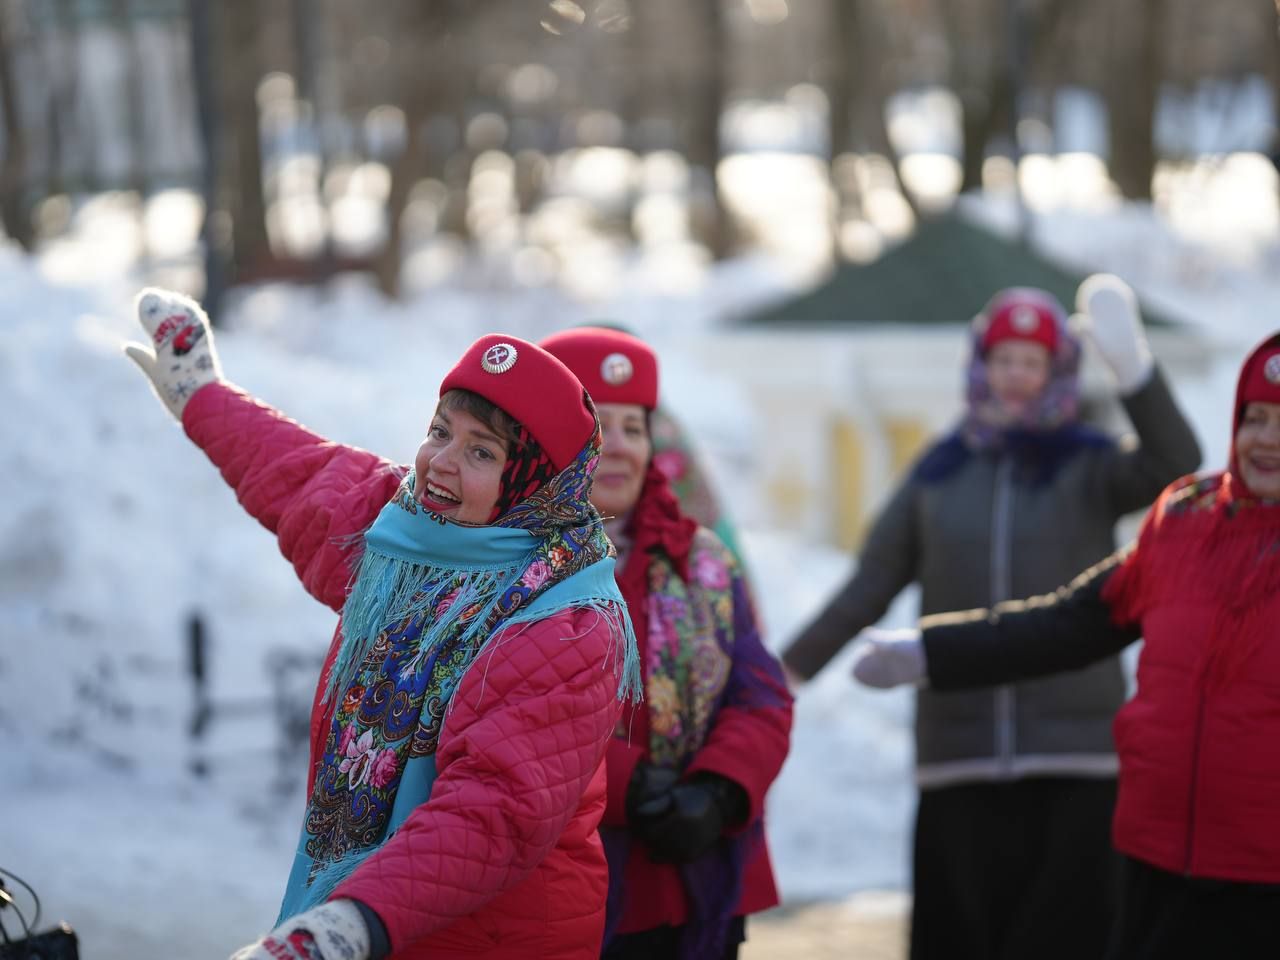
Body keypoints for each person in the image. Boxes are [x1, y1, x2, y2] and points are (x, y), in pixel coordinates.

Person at [123, 288, 641, 960]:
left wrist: (350, 922)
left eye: (482, 452)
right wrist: (201, 394)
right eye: (440, 431)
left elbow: (492, 815)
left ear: (536, 485)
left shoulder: (569, 625)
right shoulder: (405, 534)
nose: (441, 462)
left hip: (490, 941)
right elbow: (297, 474)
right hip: (378, 923)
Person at [780, 278, 1202, 960]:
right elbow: (870, 583)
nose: (1016, 376)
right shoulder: (939, 472)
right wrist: (784, 673)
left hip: (1079, 761)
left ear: (1058, 372)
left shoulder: (1092, 464)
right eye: (1003, 359)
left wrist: (1135, 372)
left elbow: (1177, 464)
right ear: (980, 365)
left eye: (1033, 362)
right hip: (961, 758)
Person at [851, 331, 1280, 960]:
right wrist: (932, 653)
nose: (1265, 439)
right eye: (1255, 418)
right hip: (1155, 866)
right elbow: (1072, 623)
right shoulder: (1185, 525)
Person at [539, 327, 793, 960]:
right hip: (565, 892)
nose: (620, 446)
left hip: (695, 885)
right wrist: (626, 784)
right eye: (598, 424)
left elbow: (760, 695)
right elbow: (499, 714)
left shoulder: (699, 561)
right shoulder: (509, 570)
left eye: (634, 427)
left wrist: (718, 790)